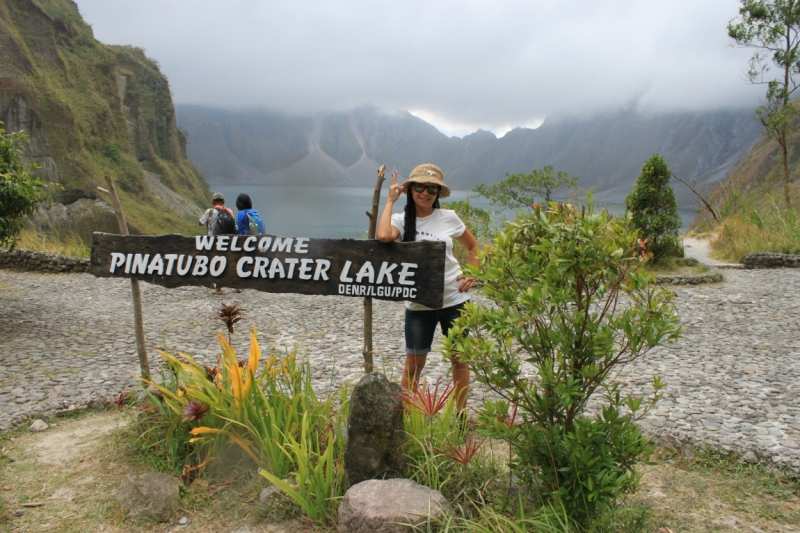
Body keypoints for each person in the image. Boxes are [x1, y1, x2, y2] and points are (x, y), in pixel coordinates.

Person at [376, 164, 479, 414]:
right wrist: (390, 200)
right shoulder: (400, 220)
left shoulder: (449, 217)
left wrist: (474, 273)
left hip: (455, 301)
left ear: (437, 192)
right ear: (410, 190)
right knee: (413, 364)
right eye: (420, 187)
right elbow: (383, 236)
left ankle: (461, 415)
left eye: (432, 188)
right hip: (419, 304)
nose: (425, 193)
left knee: (460, 360)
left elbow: (473, 247)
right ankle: (407, 417)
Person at [198, 192, 239, 295]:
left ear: (213, 202)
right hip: (227, 242)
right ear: (223, 202)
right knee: (229, 263)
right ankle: (238, 285)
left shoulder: (210, 211)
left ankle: (219, 289)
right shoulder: (228, 212)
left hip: (213, 242)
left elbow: (200, 223)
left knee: (216, 264)